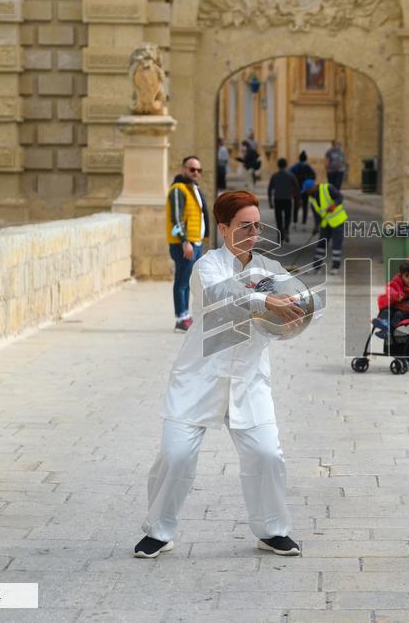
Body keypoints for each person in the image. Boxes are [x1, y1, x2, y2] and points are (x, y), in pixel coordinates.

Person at [136, 190, 307, 560]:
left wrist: (297, 311)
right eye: (244, 227)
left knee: (267, 455)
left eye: (257, 226)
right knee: (176, 455)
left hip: (248, 377)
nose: (252, 234)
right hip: (199, 376)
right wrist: (265, 302)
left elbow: (296, 304)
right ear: (223, 227)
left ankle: (272, 531)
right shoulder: (206, 265)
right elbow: (220, 296)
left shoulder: (269, 269)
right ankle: (159, 530)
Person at [166, 156, 211, 332]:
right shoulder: (178, 190)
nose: (195, 173)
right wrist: (185, 241)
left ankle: (185, 316)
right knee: (182, 281)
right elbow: (176, 218)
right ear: (183, 169)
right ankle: (181, 318)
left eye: (198, 170)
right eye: (192, 169)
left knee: (189, 281)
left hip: (195, 242)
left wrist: (203, 239)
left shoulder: (193, 189)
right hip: (185, 243)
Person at [304, 177, 347, 271]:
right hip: (325, 223)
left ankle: (335, 266)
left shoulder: (327, 188)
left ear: (313, 187)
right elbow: (316, 215)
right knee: (321, 244)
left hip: (338, 221)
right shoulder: (312, 199)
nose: (307, 192)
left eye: (307, 190)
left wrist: (334, 205)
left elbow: (340, 197)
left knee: (336, 245)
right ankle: (316, 267)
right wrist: (316, 226)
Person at [267, 158, 298, 243]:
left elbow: (269, 189)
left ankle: (279, 235)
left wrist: (270, 201)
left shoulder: (274, 175)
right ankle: (286, 230)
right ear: (286, 165)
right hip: (287, 198)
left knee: (278, 218)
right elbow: (296, 188)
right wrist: (296, 199)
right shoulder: (291, 175)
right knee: (288, 217)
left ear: (278, 165)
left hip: (277, 199)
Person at [289, 150, 316, 230]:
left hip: (297, 189)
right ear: (306, 159)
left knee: (296, 206)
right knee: (305, 206)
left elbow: (290, 175)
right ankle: (304, 223)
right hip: (306, 190)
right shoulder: (308, 167)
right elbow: (313, 177)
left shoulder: (295, 167)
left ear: (299, 158)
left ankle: (294, 222)